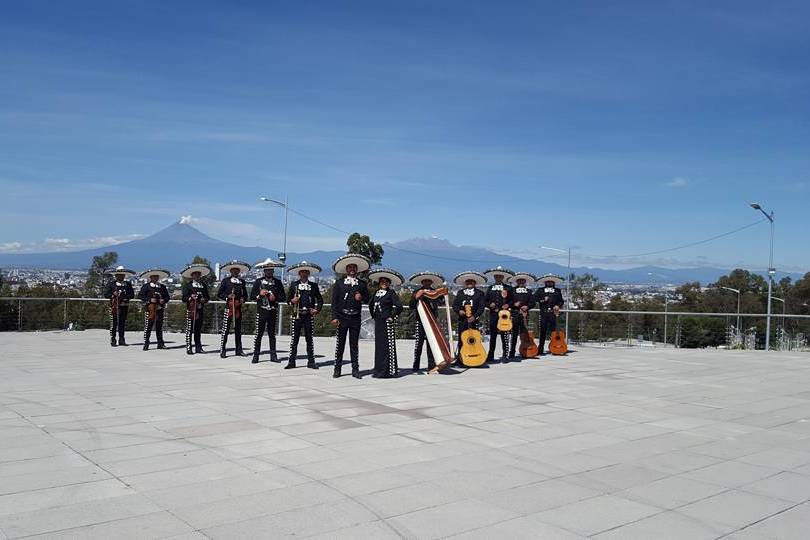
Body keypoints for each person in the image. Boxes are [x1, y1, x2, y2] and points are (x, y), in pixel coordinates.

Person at [330, 253, 371, 379]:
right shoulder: (339, 283)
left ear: (357, 270)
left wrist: (361, 298)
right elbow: (334, 302)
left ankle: (355, 369)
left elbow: (368, 299)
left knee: (354, 345)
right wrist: (334, 317)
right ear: (346, 269)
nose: (352, 269)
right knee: (340, 344)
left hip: (355, 318)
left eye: (354, 267)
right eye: (350, 267)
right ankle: (337, 369)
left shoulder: (362, 284)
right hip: (342, 317)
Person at [286, 261, 324, 369]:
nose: (304, 274)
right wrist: (292, 301)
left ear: (309, 274)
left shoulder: (313, 286)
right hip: (296, 315)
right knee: (294, 340)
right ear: (299, 273)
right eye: (302, 272)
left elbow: (320, 300)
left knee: (309, 339)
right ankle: (291, 362)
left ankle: (311, 362)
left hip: (308, 315)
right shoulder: (294, 285)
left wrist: (317, 309)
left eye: (306, 272)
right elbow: (287, 300)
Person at [368, 269, 404, 378]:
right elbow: (370, 305)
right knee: (379, 347)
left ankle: (388, 371)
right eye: (382, 281)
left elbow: (399, 307)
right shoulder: (376, 293)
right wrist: (374, 315)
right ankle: (378, 370)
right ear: (379, 283)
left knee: (387, 347)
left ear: (389, 283)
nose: (384, 283)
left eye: (386, 281)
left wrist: (391, 316)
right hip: (378, 322)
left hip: (387, 323)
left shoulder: (391, 293)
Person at [408, 271, 444, 372]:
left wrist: (441, 295)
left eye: (429, 281)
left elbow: (441, 302)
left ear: (431, 282)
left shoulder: (435, 291)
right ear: (422, 282)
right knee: (418, 344)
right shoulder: (417, 291)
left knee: (431, 344)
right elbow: (411, 305)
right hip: (420, 321)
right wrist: (416, 297)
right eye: (425, 281)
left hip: (432, 321)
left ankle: (431, 365)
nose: (427, 282)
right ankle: (416, 365)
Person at [251, 259, 286, 364]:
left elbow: (283, 297)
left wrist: (275, 298)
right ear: (264, 271)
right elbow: (252, 296)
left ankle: (273, 355)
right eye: (267, 270)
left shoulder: (278, 282)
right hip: (261, 311)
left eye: (271, 270)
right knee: (259, 334)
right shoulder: (258, 282)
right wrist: (259, 295)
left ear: (273, 271)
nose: (269, 272)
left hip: (272, 312)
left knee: (272, 335)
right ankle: (256, 355)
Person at [217, 260, 251, 358]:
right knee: (225, 330)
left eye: (237, 271)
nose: (235, 272)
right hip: (228, 308)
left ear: (239, 272)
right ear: (231, 271)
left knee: (238, 330)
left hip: (238, 308)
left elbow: (245, 295)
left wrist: (243, 299)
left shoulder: (242, 282)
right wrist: (227, 296)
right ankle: (223, 349)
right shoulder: (226, 281)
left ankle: (239, 350)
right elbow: (219, 294)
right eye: (234, 271)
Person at [451, 271, 486, 363]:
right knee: (461, 339)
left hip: (474, 321)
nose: (469, 283)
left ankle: (475, 357)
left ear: (475, 283)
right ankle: (461, 359)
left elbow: (481, 307)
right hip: (462, 320)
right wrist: (459, 311)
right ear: (465, 283)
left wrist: (474, 316)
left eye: (471, 282)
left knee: (475, 340)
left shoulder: (480, 293)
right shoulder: (460, 293)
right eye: (468, 282)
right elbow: (455, 305)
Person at [483, 266, 515, 363]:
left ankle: (505, 354)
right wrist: (489, 305)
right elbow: (485, 301)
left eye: (500, 276)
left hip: (504, 315)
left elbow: (513, 300)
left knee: (504, 335)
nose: (498, 278)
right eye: (496, 276)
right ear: (494, 277)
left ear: (503, 277)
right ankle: (491, 354)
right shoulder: (490, 288)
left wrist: (507, 304)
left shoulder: (508, 288)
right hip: (493, 314)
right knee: (492, 335)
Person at [180, 263, 211, 355]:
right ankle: (189, 347)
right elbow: (183, 298)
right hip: (191, 310)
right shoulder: (188, 285)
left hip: (200, 309)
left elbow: (207, 297)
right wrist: (190, 297)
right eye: (195, 274)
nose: (197, 276)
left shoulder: (203, 286)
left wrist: (203, 300)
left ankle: (198, 347)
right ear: (192, 276)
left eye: (198, 274)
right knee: (189, 329)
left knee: (198, 329)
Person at [138, 268, 171, 350]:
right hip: (149, 310)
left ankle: (160, 343)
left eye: (157, 277)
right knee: (148, 327)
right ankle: (146, 343)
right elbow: (140, 296)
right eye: (153, 277)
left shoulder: (162, 287)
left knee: (159, 327)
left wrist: (163, 300)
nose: (155, 278)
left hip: (160, 309)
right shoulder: (146, 286)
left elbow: (167, 297)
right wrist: (149, 300)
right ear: (150, 277)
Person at [104, 266, 135, 347]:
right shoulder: (111, 284)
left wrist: (125, 297)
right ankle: (113, 339)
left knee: (122, 323)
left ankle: (122, 339)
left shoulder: (127, 284)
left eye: (122, 275)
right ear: (116, 276)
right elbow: (106, 294)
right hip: (114, 306)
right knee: (113, 323)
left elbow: (132, 295)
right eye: (119, 275)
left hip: (124, 306)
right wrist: (113, 295)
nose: (120, 276)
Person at [508, 272, 536, 359]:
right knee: (514, 334)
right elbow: (508, 302)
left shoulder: (529, 291)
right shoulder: (512, 291)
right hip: (515, 314)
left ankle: (525, 350)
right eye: (519, 280)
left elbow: (533, 303)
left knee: (524, 334)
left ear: (525, 282)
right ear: (516, 281)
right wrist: (513, 304)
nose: (521, 282)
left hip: (525, 315)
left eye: (522, 281)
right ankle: (512, 352)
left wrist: (527, 307)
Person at [534, 273, 565, 355]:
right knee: (542, 332)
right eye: (548, 282)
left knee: (554, 332)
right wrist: (543, 300)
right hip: (543, 313)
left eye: (551, 282)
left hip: (553, 313)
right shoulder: (540, 290)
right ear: (545, 282)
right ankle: (540, 349)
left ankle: (554, 347)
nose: (550, 283)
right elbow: (534, 298)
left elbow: (561, 301)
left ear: (554, 282)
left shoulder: (557, 291)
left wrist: (558, 306)